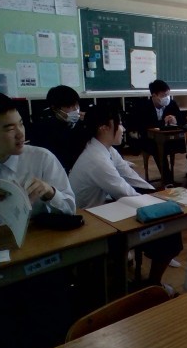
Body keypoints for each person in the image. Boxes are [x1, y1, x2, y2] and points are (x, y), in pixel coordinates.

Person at [69, 105, 178, 293]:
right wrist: (158, 203)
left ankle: (143, 274)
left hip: (100, 212)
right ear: (104, 128)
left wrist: (154, 193)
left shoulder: (103, 148)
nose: (123, 128)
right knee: (168, 234)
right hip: (88, 224)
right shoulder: (96, 159)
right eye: (119, 124)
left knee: (160, 224)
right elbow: (124, 191)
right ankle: (151, 285)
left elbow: (129, 175)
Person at [0, 89, 75, 233]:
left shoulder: (42, 158)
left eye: (21, 124)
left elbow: (71, 210)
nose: (20, 134)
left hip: (38, 238)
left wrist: (50, 192)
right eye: (10, 129)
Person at [133, 79, 184, 183]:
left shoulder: (172, 104)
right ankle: (167, 180)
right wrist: (163, 122)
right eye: (163, 95)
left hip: (169, 139)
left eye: (168, 94)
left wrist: (175, 120)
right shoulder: (143, 106)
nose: (167, 97)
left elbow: (182, 120)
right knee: (158, 148)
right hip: (149, 140)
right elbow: (143, 126)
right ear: (154, 95)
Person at [31, 85, 88, 174]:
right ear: (55, 108)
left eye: (76, 104)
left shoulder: (79, 123)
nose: (75, 109)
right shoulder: (44, 130)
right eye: (69, 106)